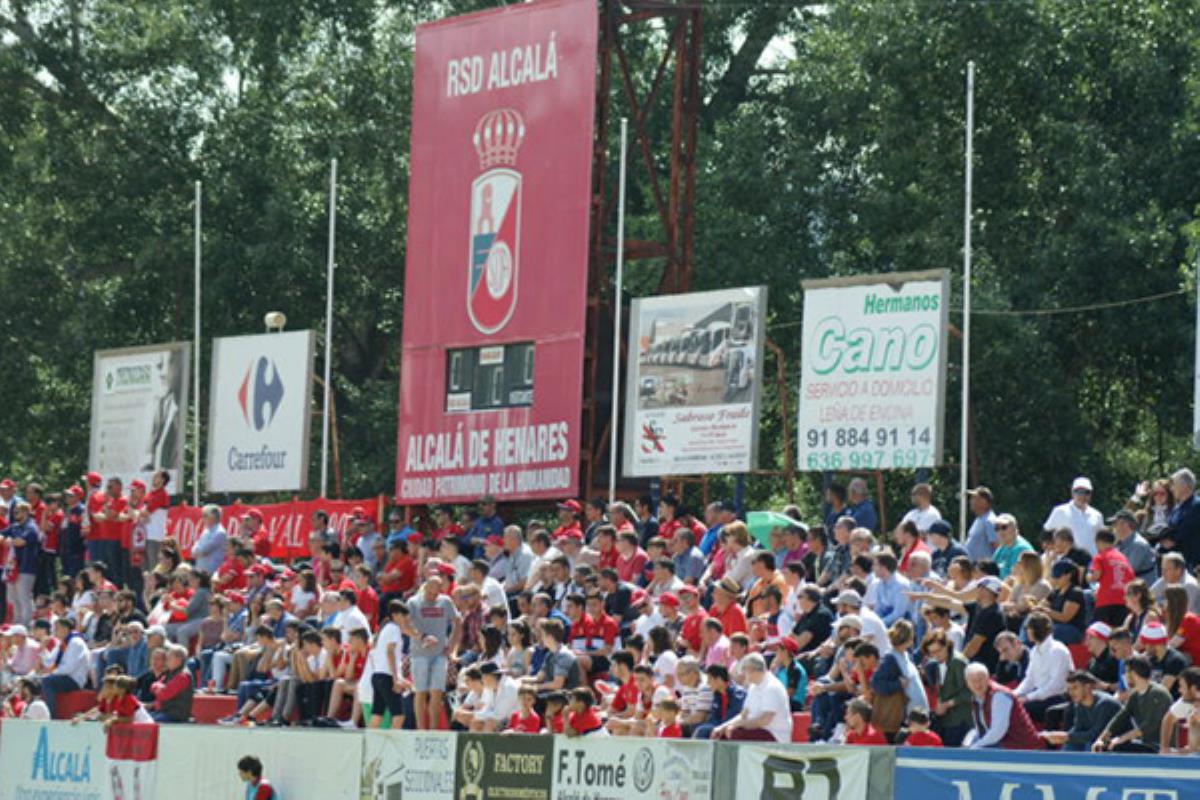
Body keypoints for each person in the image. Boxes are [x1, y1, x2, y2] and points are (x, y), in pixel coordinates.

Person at [402, 576, 460, 730]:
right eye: (432, 591)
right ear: (426, 586)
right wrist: (421, 636)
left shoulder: (445, 602)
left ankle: (433, 729)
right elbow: (404, 625)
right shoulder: (413, 602)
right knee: (420, 692)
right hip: (419, 653)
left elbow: (457, 621)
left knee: (437, 692)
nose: (435, 595)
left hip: (440, 654)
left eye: (438, 591)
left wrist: (452, 645)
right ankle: (421, 729)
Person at [1094, 655, 1172, 753]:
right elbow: (1121, 717)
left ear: (1133, 673)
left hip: (1160, 746)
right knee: (1106, 747)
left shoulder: (1158, 694)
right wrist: (1101, 738)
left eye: (1126, 672)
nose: (1124, 677)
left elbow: (1149, 725)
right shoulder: (1135, 694)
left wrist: (1122, 738)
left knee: (1117, 747)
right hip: (1145, 743)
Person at [712, 653, 792, 742]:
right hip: (756, 730)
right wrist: (723, 727)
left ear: (752, 670)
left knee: (735, 733)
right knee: (721, 734)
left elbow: (764, 720)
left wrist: (740, 725)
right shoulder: (753, 687)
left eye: (744, 670)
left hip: (774, 735)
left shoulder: (772, 687)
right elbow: (743, 715)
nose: (743, 673)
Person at [962, 662, 1040, 749]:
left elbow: (998, 731)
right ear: (967, 683)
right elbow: (980, 730)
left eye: (981, 679)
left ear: (988, 679)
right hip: (1002, 745)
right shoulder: (976, 698)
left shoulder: (999, 695)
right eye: (973, 681)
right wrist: (969, 745)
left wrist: (975, 747)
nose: (977, 684)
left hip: (1022, 748)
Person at [1039, 671, 1120, 752]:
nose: (1071, 693)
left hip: (1118, 742)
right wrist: (1060, 736)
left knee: (1090, 745)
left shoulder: (1105, 704)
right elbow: (1078, 728)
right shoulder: (1079, 704)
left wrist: (1067, 736)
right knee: (1070, 744)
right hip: (1095, 739)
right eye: (1069, 689)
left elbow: (1095, 734)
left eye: (1075, 688)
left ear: (1087, 687)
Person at [1014, 613, 1072, 723]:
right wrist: (1014, 694)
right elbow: (1029, 680)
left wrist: (1027, 698)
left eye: (1029, 629)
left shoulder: (1058, 650)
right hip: (1040, 695)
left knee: (1020, 709)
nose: (1027, 632)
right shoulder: (1034, 651)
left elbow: (1056, 686)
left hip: (1056, 697)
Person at [922, 630, 972, 746]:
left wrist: (947, 704)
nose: (935, 655)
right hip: (946, 720)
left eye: (938, 651)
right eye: (932, 653)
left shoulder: (958, 662)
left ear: (947, 645)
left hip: (960, 720)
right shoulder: (937, 663)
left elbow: (970, 691)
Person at [1043, 477, 1104, 556]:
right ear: (1072, 493)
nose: (1083, 495)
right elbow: (1046, 535)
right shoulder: (1060, 511)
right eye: (1079, 492)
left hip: (1090, 561)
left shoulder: (1097, 515)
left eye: (1087, 492)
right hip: (1065, 560)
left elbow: (1101, 540)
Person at [1088, 528, 1134, 627]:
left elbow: (1096, 575)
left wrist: (1087, 577)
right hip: (1124, 600)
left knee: (1100, 632)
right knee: (1119, 633)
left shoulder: (1100, 556)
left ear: (1098, 542)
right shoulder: (1123, 557)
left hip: (1106, 600)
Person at [1160, 468, 1200, 568]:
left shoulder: (1197, 505)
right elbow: (1168, 527)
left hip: (1191, 563)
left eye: (1174, 485)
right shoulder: (1177, 508)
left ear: (1184, 486)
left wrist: (1172, 540)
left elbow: (1184, 530)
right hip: (1173, 562)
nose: (1172, 489)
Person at [1110, 509, 1157, 583]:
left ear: (1125, 525)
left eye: (1115, 524)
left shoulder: (1138, 544)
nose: (1113, 527)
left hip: (1142, 589)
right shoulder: (1119, 543)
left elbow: (1127, 571)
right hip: (1129, 586)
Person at [992, 514, 1034, 579]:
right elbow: (990, 570)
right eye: (997, 528)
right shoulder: (1002, 548)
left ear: (1014, 528)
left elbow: (1015, 578)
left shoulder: (1022, 549)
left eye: (1004, 527)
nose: (1000, 531)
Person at [964, 486, 998, 561]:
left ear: (984, 502)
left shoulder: (989, 521)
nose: (971, 501)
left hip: (984, 569)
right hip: (974, 568)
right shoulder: (979, 519)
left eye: (975, 498)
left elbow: (997, 546)